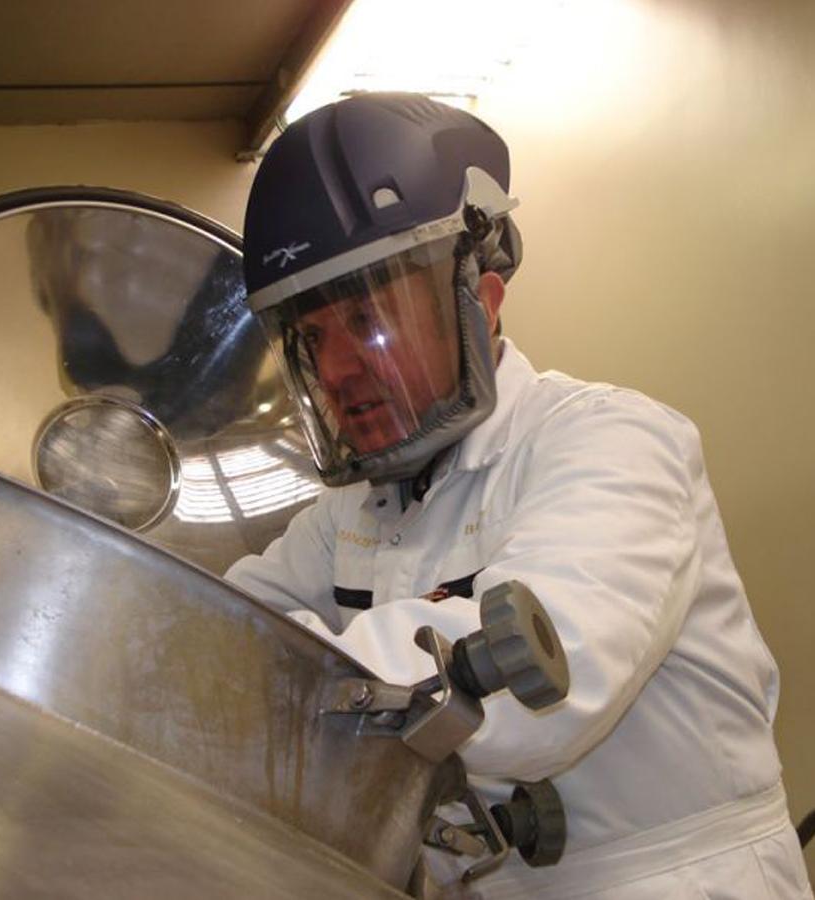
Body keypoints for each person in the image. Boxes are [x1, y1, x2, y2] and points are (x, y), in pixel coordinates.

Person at [226, 93, 813, 899]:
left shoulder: (613, 440)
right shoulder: (357, 513)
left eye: (367, 319)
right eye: (313, 338)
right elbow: (214, 630)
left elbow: (543, 689)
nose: (335, 371)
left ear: (480, 303)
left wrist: (275, 681)